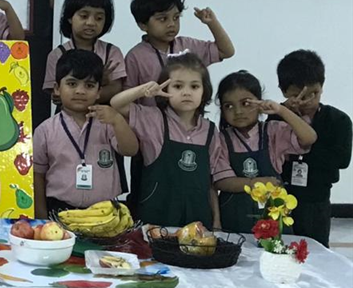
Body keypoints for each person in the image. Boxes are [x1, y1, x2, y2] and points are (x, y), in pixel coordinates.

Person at [110, 52, 274, 228]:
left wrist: (216, 220)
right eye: (178, 86)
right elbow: (116, 104)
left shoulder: (210, 130)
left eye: (194, 86)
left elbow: (210, 182)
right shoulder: (153, 119)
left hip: (198, 218)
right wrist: (143, 90)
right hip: (157, 216)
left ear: (204, 92)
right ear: (165, 89)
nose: (186, 92)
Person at [33, 50, 138, 216]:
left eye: (89, 85)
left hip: (105, 212)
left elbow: (130, 150)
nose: (80, 91)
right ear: (57, 89)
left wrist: (118, 120)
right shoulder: (45, 130)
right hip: (59, 210)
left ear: (99, 92)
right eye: (72, 84)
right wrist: (41, 214)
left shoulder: (108, 123)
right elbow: (37, 175)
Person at [215, 70, 315, 233]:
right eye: (229, 106)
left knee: (276, 247)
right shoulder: (221, 139)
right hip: (235, 216)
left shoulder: (273, 131)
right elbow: (222, 181)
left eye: (245, 103)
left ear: (260, 104)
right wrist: (257, 183)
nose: (238, 111)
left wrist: (281, 110)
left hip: (273, 214)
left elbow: (309, 138)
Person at [273, 50, 352, 246]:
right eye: (298, 95)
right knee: (278, 247)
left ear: (322, 86)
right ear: (284, 91)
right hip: (281, 197)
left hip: (317, 199)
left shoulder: (338, 120)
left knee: (316, 250)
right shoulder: (277, 116)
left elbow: (342, 159)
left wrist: (301, 150)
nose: (308, 101)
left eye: (314, 93)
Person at [124, 0, 235, 105]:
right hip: (151, 117)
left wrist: (212, 23)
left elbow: (226, 51)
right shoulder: (135, 57)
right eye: (163, 19)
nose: (171, 24)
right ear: (143, 25)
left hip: (188, 116)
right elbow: (127, 97)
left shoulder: (188, 45)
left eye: (176, 17)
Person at [44, 0, 125, 105]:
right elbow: (56, 95)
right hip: (68, 115)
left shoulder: (111, 52)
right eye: (84, 16)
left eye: (99, 18)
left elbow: (116, 88)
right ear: (69, 18)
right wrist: (97, 83)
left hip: (103, 113)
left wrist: (79, 97)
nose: (91, 23)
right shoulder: (57, 54)